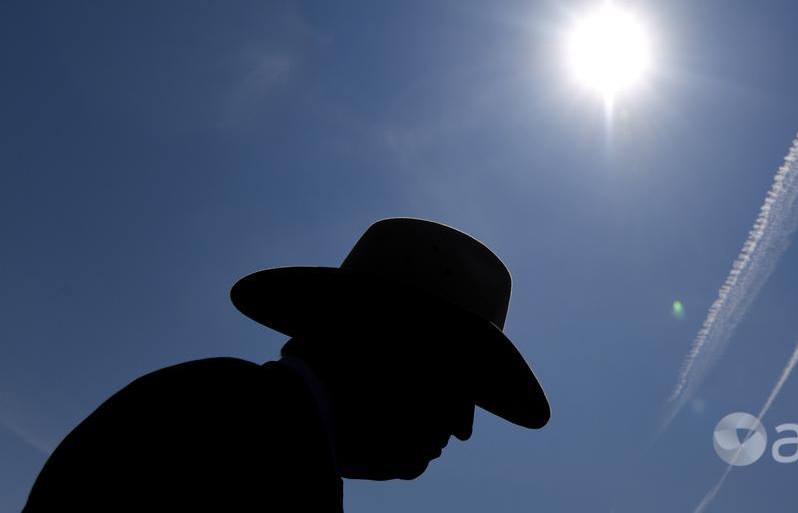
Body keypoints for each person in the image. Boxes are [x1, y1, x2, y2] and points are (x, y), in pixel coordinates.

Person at [23, 218, 551, 511]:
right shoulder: (239, 448)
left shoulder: (220, 414)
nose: (463, 428)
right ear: (383, 345)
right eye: (457, 384)